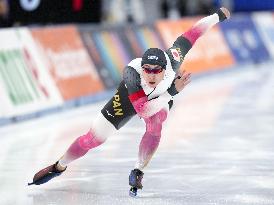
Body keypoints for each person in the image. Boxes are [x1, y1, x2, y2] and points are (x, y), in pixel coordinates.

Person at [29, 7, 230, 195]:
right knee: (93, 139)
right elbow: (142, 110)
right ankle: (59, 166)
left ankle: (138, 170)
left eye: (156, 71)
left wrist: (217, 16)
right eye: (147, 70)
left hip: (159, 99)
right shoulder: (132, 73)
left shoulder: (174, 58)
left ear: (165, 69)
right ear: (142, 68)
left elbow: (194, 33)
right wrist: (171, 92)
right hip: (130, 99)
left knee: (156, 122)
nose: (151, 75)